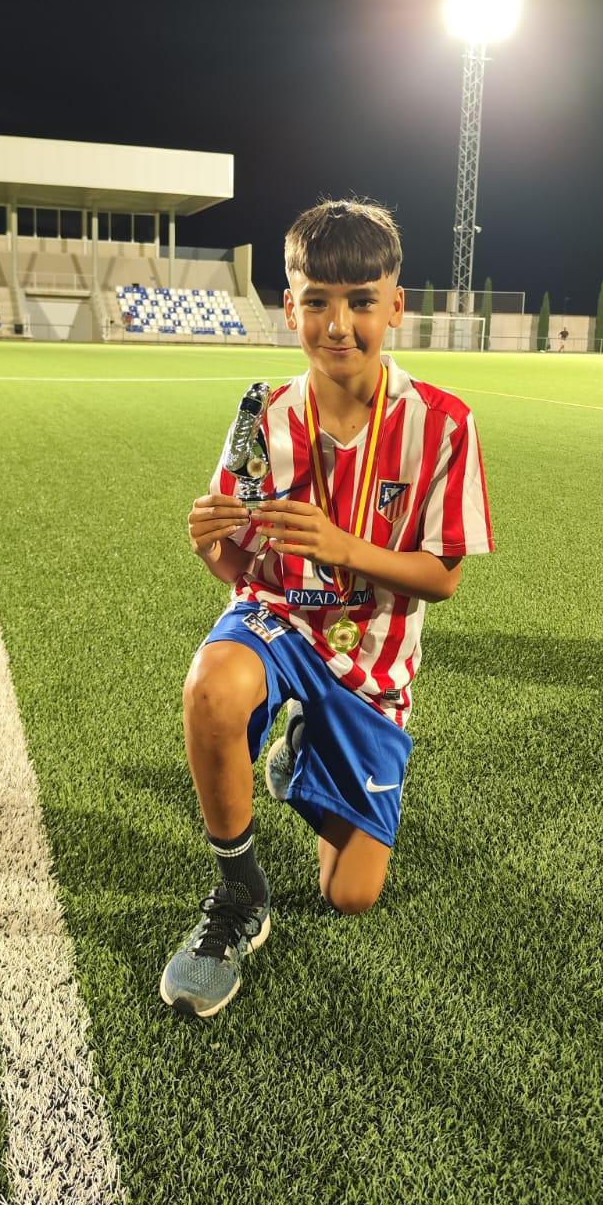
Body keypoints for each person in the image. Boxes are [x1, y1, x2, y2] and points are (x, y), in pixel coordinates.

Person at [160, 198, 494, 1017]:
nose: (337, 324)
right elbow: (237, 563)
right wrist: (211, 543)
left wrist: (343, 546)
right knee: (213, 683)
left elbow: (441, 577)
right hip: (278, 618)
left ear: (395, 306)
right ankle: (239, 894)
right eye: (317, 301)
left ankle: (307, 740)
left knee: (351, 896)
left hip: (370, 661)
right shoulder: (262, 414)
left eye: (360, 301)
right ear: (290, 306)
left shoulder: (443, 423)